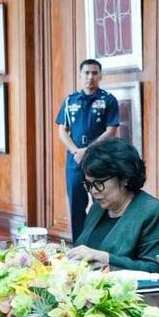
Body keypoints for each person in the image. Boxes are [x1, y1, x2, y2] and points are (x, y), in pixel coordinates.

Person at [67, 138, 159, 273]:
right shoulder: (97, 209)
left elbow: (156, 269)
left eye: (99, 183)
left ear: (125, 178)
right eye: (89, 184)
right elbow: (85, 252)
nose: (93, 191)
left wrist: (106, 259)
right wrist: (65, 254)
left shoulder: (155, 212)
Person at [55, 59, 120, 241]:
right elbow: (62, 131)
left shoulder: (108, 100)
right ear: (80, 75)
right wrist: (77, 151)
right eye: (87, 73)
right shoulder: (70, 100)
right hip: (75, 161)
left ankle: (101, 242)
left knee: (102, 201)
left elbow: (111, 130)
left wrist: (87, 151)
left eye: (94, 73)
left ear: (100, 76)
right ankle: (78, 243)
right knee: (76, 203)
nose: (90, 77)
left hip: (99, 159)